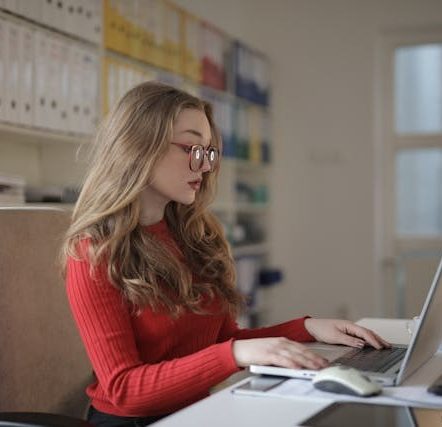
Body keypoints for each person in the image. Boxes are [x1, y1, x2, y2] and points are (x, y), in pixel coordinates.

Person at [62, 81, 390, 427]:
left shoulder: (194, 236)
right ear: (139, 146)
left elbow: (219, 343)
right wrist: (233, 354)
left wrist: (307, 328)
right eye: (192, 148)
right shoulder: (93, 253)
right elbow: (123, 389)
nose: (204, 166)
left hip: (197, 414)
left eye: (209, 152)